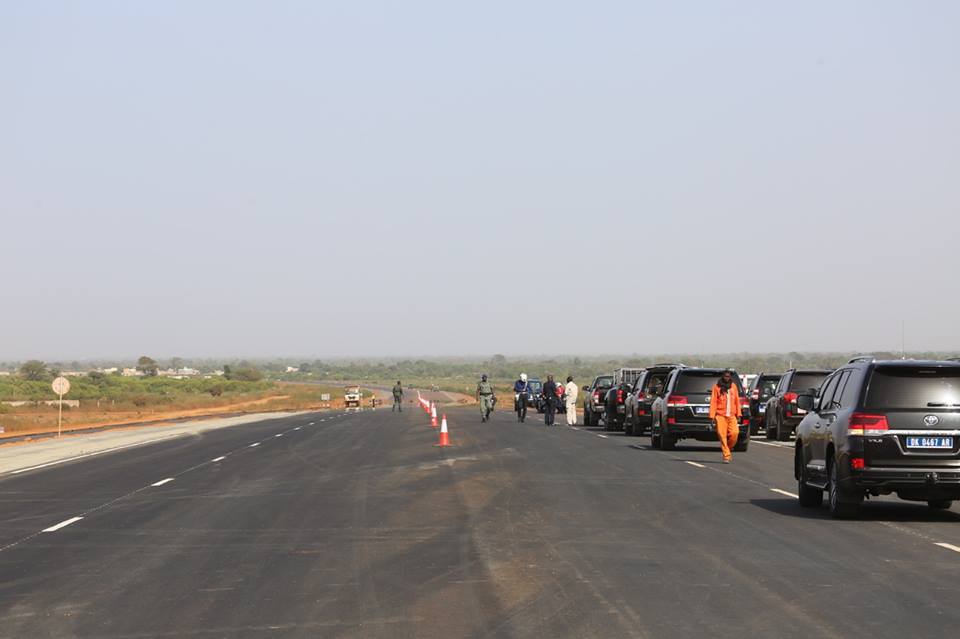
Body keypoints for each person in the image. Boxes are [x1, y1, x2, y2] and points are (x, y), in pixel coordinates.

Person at [709, 369, 741, 463]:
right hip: (720, 416)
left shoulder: (733, 387)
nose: (727, 378)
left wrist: (738, 414)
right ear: (722, 376)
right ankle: (726, 456)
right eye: (725, 376)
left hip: (731, 415)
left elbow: (737, 401)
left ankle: (727, 449)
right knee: (722, 435)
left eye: (728, 376)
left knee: (734, 433)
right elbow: (713, 401)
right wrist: (712, 416)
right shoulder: (716, 387)